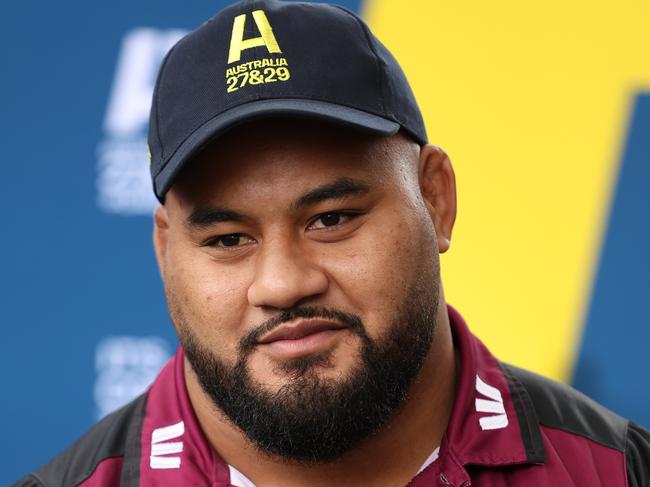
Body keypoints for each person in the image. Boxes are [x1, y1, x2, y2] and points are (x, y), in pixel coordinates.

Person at [14, 1, 650, 486]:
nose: (284, 283)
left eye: (332, 219)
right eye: (228, 238)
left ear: (436, 199)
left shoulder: (618, 470)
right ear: (164, 251)